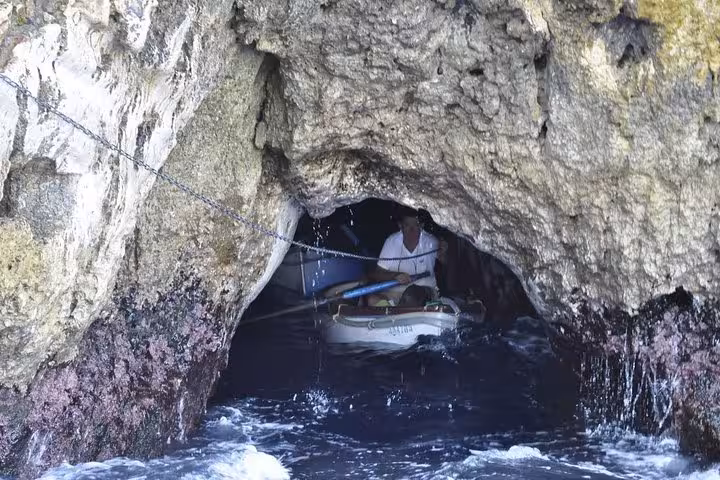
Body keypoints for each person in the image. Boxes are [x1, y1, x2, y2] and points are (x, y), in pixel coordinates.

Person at [367, 207, 447, 306]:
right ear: (400, 226)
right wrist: (395, 275)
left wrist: (445, 254)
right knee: (372, 300)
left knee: (410, 296)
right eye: (407, 225)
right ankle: (394, 314)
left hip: (424, 291)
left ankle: (396, 313)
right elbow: (378, 273)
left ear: (421, 226)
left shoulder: (431, 242)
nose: (412, 230)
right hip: (396, 293)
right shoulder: (391, 241)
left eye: (416, 225)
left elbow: (448, 266)